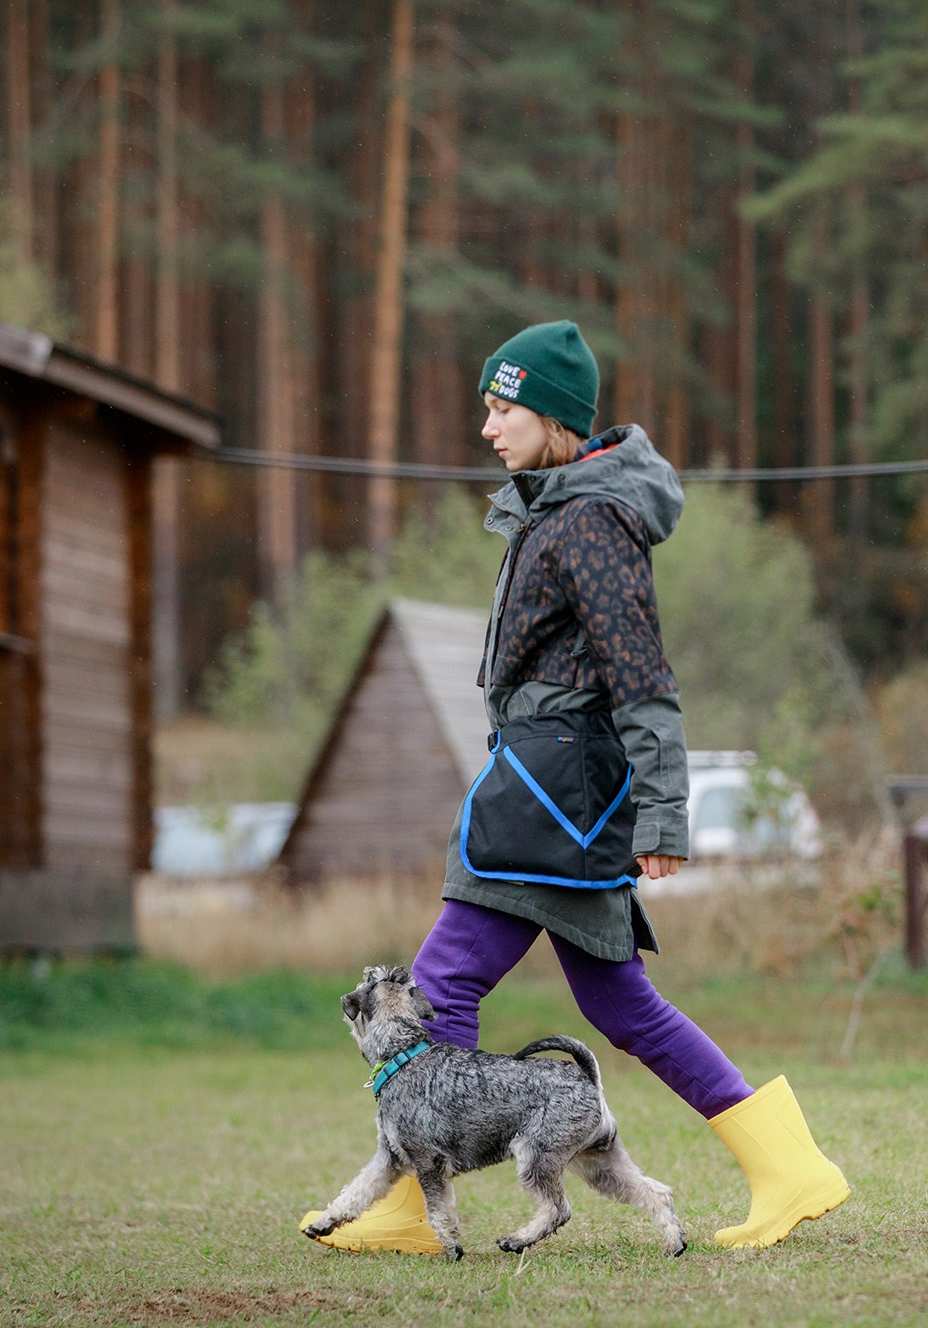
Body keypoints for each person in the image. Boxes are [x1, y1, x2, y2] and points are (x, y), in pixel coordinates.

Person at [300, 320, 849, 1253]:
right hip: (548, 782)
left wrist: (666, 810)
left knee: (444, 978)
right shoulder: (558, 508)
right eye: (487, 405)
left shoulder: (591, 522)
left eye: (503, 406)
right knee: (616, 1005)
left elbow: (643, 677)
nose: (487, 426)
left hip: (554, 797)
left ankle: (406, 1203)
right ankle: (788, 1165)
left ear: (553, 414)